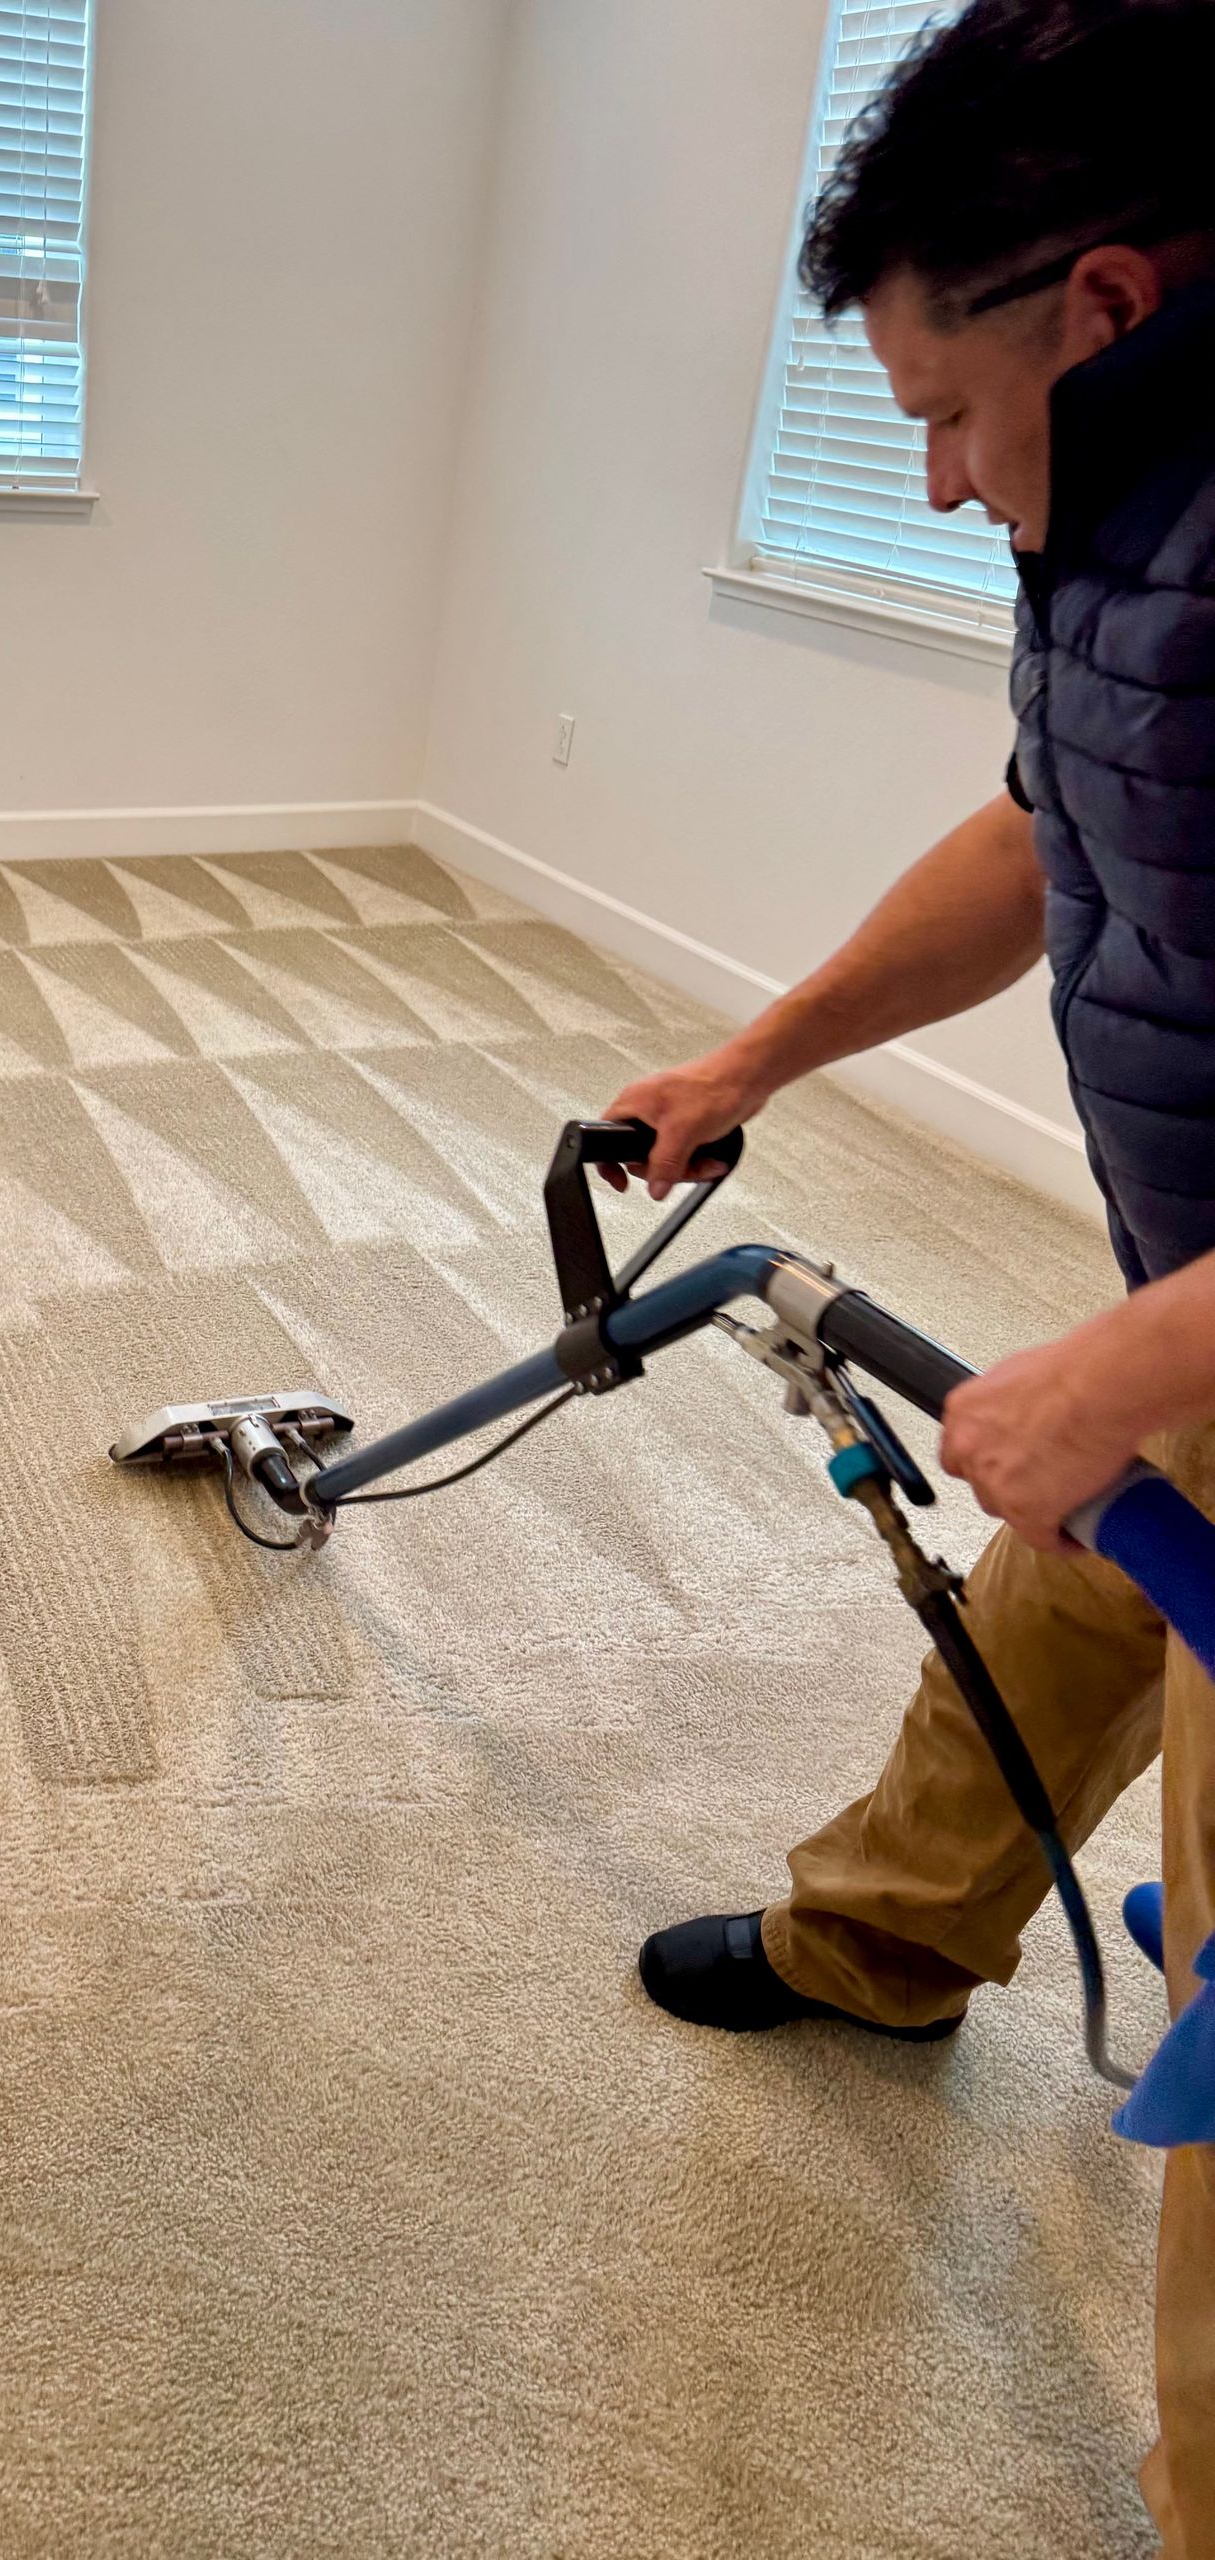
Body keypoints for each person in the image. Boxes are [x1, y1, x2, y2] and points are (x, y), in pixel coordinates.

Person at [607, 1, 1215, 2546]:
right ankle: (887, 1942)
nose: (948, 483)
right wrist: (761, 1051)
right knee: (1064, 1593)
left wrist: (1147, 1354)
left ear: (1104, 297)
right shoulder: (1115, 524)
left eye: (951, 416)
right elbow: (1044, 828)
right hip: (1189, 1287)